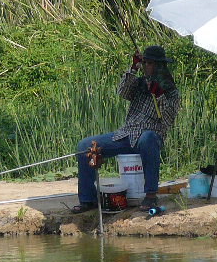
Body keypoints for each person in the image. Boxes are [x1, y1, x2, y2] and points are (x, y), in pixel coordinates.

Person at [72, 45, 181, 213]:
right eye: (145, 63)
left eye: (149, 63)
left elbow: (166, 120)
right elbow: (122, 92)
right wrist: (133, 67)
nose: (146, 67)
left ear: (160, 66)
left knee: (148, 138)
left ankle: (151, 195)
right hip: (126, 134)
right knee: (85, 145)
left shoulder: (172, 92)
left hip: (150, 136)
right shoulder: (140, 83)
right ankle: (88, 200)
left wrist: (159, 96)